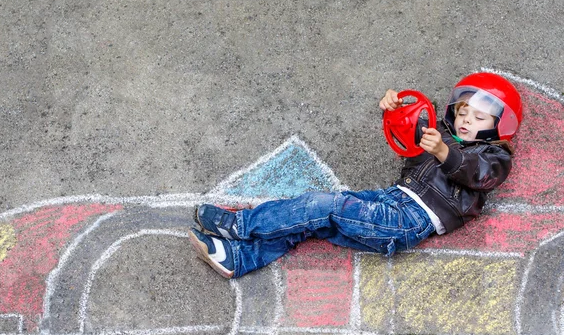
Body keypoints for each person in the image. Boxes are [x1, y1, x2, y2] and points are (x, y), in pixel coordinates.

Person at [188, 72, 523, 279]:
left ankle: (242, 226)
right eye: (463, 111)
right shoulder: (441, 132)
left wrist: (444, 153)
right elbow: (411, 129)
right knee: (312, 221)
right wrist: (397, 107)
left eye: (479, 117)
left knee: (322, 206)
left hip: (409, 221)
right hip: (393, 200)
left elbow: (478, 175)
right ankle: (239, 258)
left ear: (500, 126)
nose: (467, 120)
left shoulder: (495, 157)